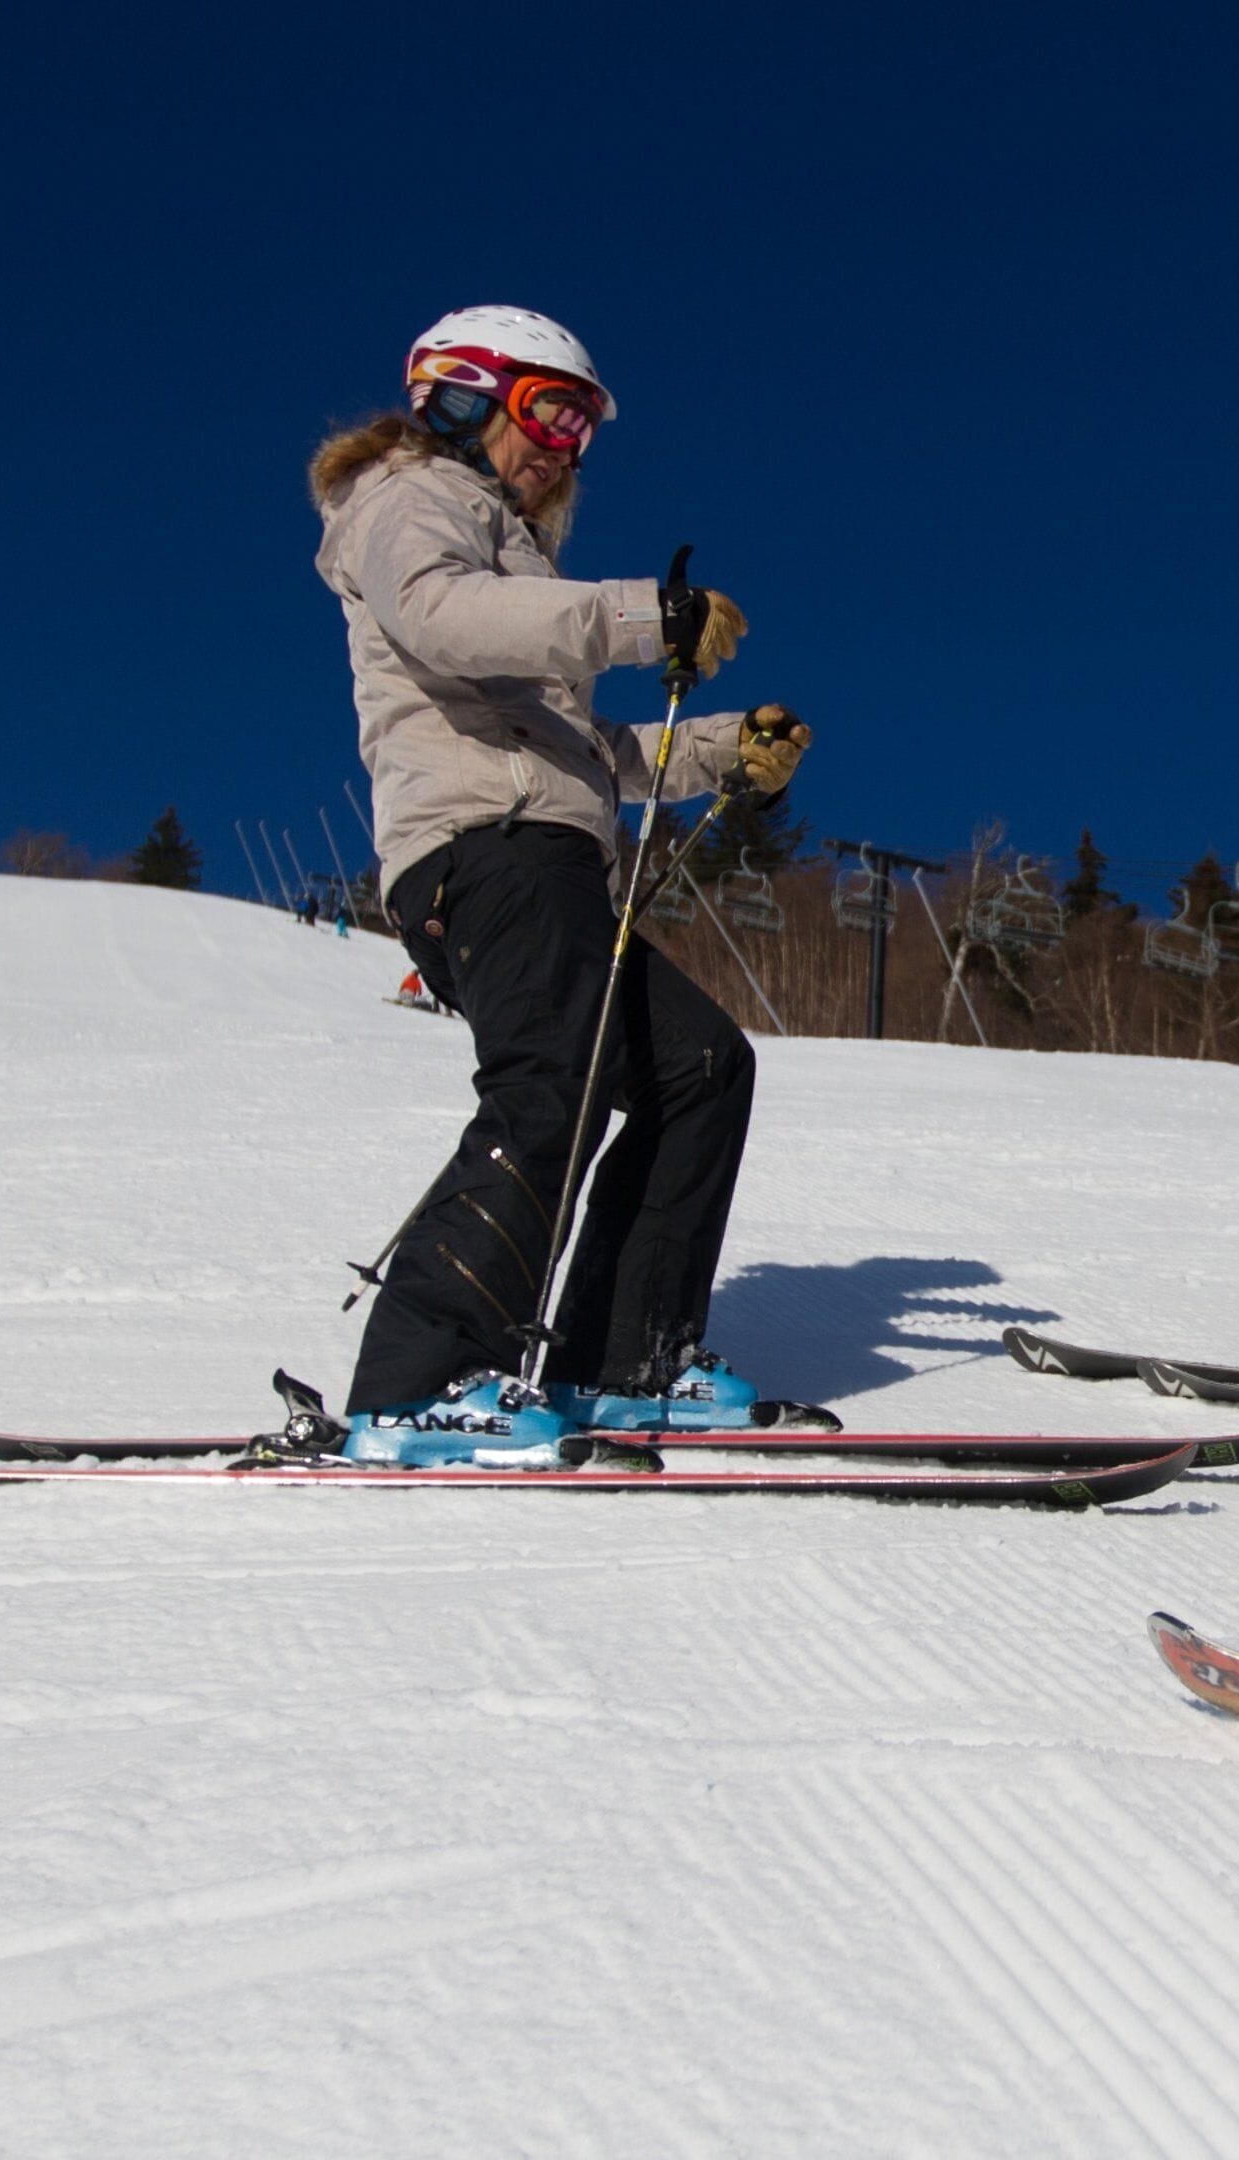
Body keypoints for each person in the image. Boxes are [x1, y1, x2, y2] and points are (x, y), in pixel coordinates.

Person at [308, 304, 816, 1464]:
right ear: (463, 395)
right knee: (551, 1091)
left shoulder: (516, 556)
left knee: (698, 1069)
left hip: (549, 849)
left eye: (583, 425)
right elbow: (442, 620)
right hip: (482, 850)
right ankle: (414, 1384)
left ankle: (623, 1363)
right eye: (549, 411)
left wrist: (722, 748)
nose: (562, 446)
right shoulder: (409, 498)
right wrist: (640, 617)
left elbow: (593, 756)